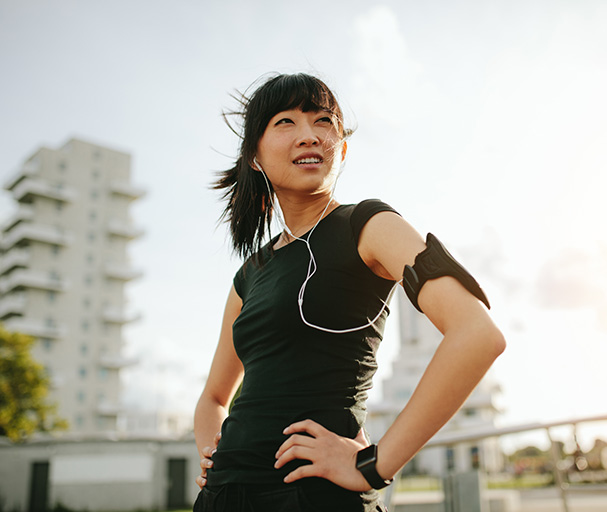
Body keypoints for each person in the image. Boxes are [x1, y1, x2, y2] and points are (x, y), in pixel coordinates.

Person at [193, 73, 506, 511]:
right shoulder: (250, 273)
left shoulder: (370, 225)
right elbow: (213, 397)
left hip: (313, 497)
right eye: (286, 122)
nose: (309, 136)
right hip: (224, 497)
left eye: (323, 121)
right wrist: (213, 453)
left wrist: (374, 465)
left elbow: (477, 334)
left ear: (340, 148)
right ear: (256, 158)